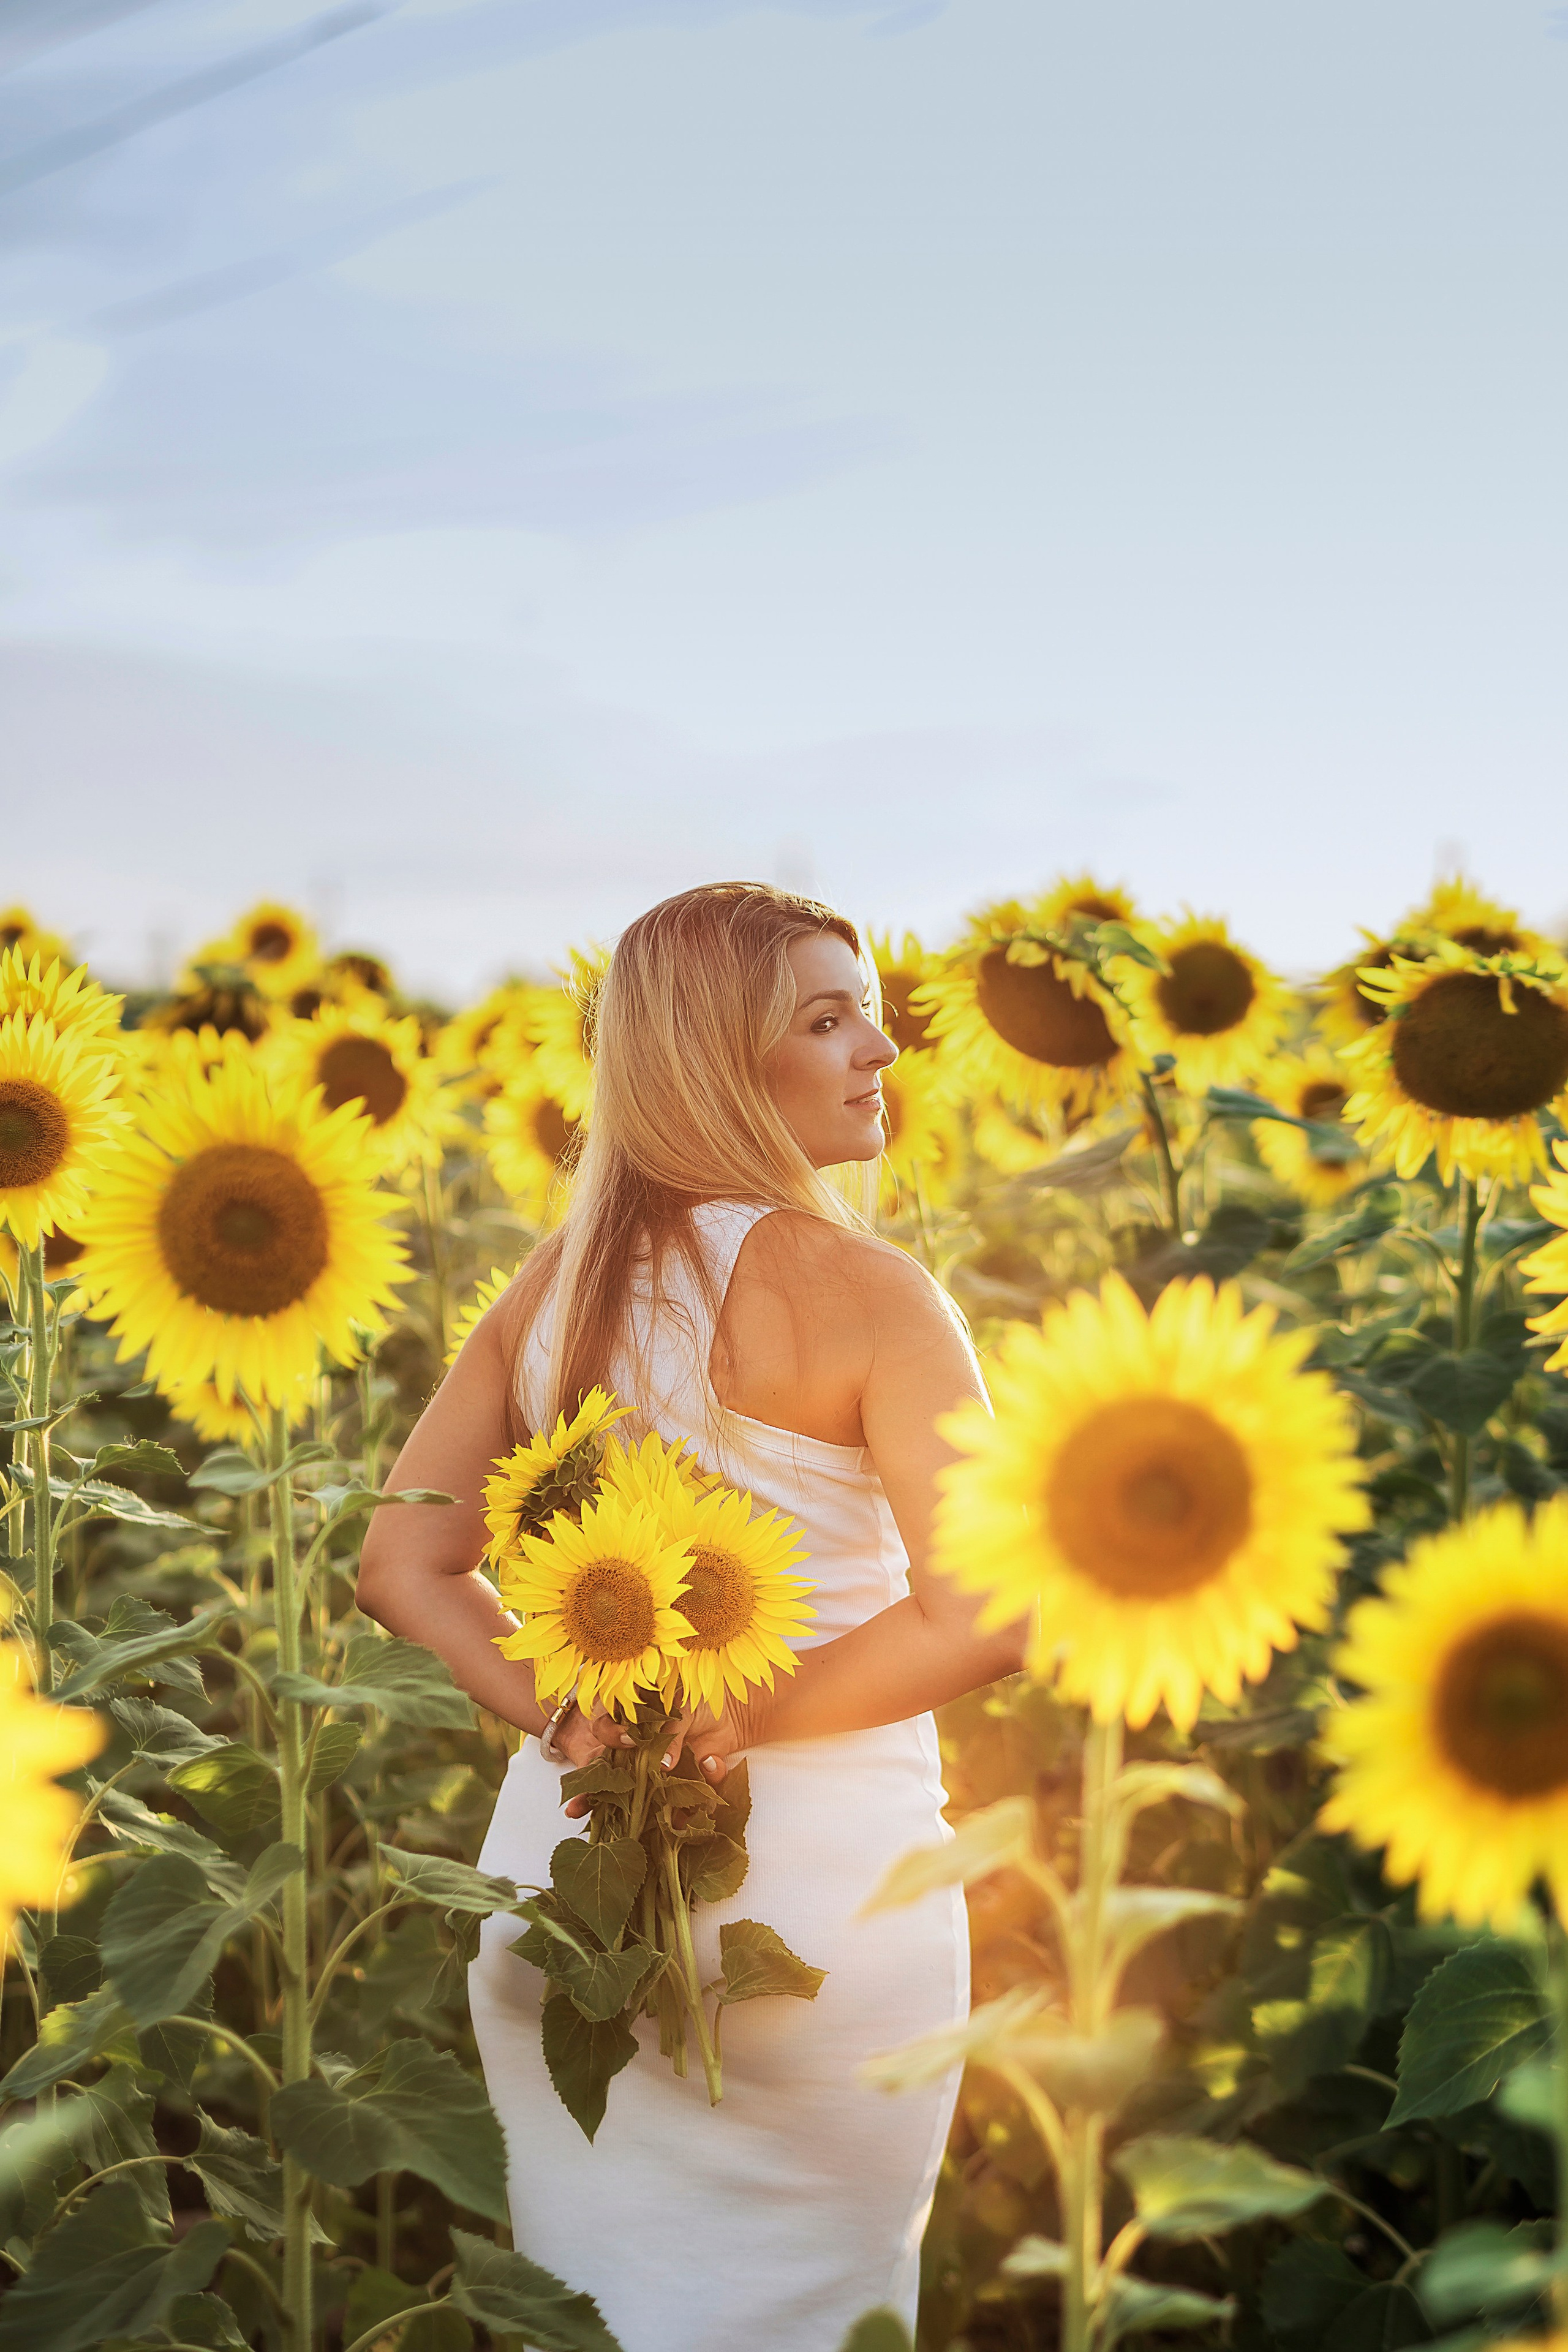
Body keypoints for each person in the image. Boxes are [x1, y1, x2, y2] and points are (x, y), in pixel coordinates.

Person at [356, 881, 1026, 2351]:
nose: (879, 1050)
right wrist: (753, 1713)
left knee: (595, 2317)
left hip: (567, 1889)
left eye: (868, 1010)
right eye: (824, 1015)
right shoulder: (872, 1294)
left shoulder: (557, 1287)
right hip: (825, 1906)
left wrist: (558, 1707)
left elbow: (399, 1565)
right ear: (723, 1061)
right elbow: (990, 1608)